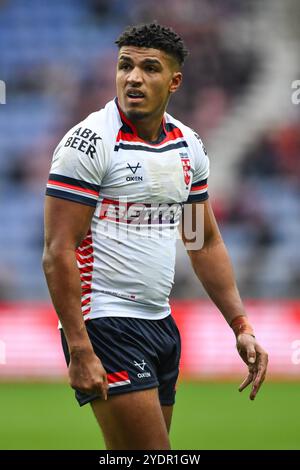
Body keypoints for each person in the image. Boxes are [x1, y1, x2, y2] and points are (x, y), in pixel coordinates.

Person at [42, 22, 268, 450]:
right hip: (104, 322)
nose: (133, 77)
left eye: (149, 68)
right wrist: (79, 347)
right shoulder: (88, 144)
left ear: (174, 81)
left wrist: (240, 324)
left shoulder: (188, 145)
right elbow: (58, 251)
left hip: (160, 323)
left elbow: (202, 240)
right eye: (125, 65)